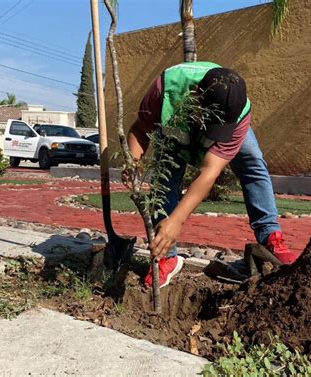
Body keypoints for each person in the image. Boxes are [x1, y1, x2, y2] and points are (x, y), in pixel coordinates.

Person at [125, 61, 300, 288]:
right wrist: (133, 163)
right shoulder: (165, 89)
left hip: (218, 121)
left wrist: (177, 220)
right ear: (197, 95)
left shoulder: (238, 113)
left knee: (253, 163)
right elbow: (140, 129)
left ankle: (270, 237)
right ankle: (166, 257)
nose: (215, 136)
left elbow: (209, 171)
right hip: (176, 130)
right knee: (163, 180)